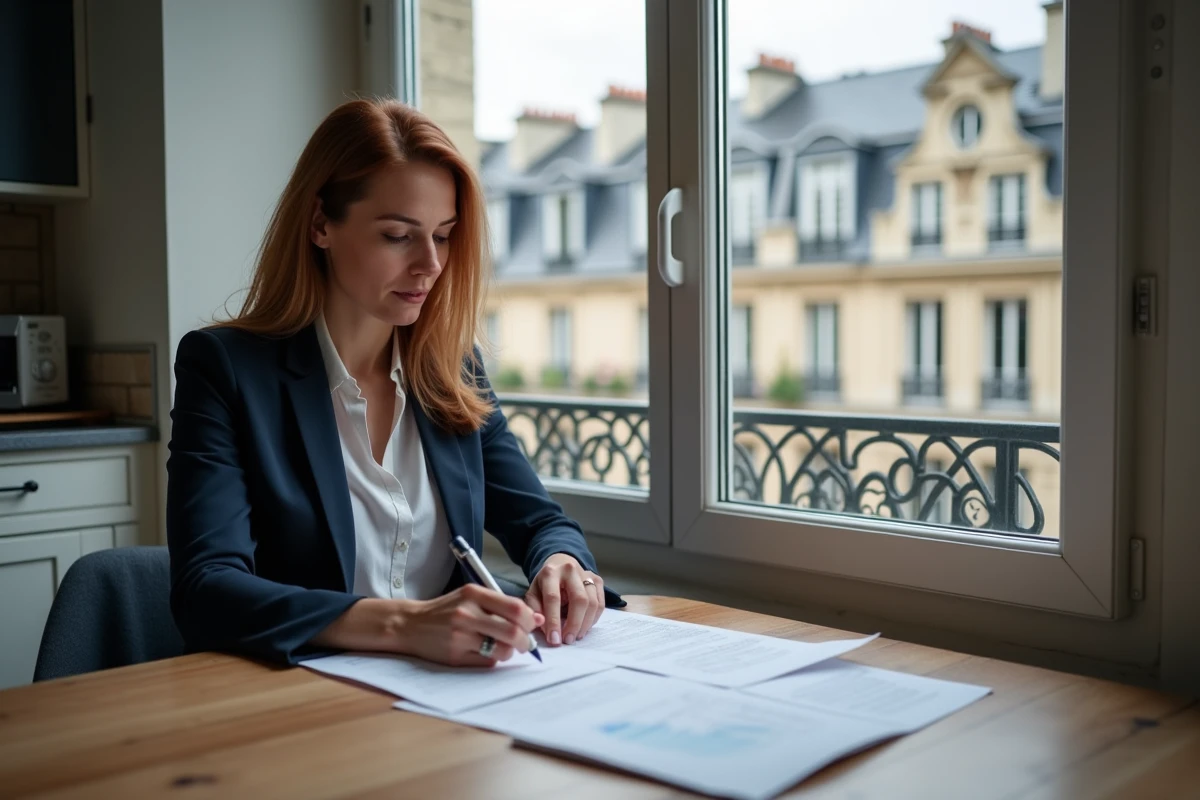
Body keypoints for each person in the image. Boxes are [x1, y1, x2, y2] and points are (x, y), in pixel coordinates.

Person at [166, 98, 622, 669]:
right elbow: (207, 591)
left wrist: (562, 563)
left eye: (445, 235)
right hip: (296, 705)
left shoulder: (452, 369)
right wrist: (406, 624)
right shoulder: (225, 369)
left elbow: (541, 522)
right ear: (320, 225)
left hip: (449, 703)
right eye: (397, 236)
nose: (430, 264)